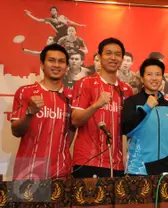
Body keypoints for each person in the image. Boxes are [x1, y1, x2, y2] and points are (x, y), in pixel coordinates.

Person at [71, 38, 133, 178]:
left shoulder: (127, 90)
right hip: (88, 161)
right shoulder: (85, 83)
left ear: (122, 59)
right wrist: (96, 105)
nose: (113, 58)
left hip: (116, 164)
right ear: (99, 57)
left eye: (117, 54)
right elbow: (75, 120)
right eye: (108, 53)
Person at [11, 44, 74, 180]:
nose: (56, 65)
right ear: (42, 64)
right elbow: (16, 131)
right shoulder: (25, 92)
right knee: (26, 202)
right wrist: (30, 112)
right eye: (51, 60)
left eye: (61, 61)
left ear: (67, 67)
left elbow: (70, 133)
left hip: (61, 171)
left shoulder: (71, 97)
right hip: (28, 171)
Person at [122, 58, 168, 175]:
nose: (154, 78)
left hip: (165, 167)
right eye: (149, 74)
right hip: (139, 168)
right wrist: (146, 108)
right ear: (142, 78)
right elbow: (126, 130)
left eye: (158, 74)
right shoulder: (132, 102)